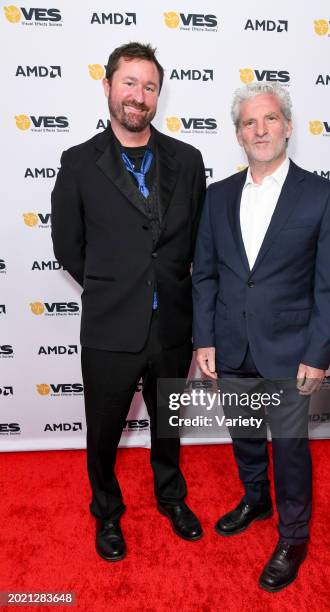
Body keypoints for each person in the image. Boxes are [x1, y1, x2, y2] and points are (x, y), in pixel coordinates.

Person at [51, 42, 206, 561]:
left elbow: (196, 242)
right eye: (129, 83)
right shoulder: (77, 164)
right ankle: (107, 513)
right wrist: (115, 284)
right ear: (108, 87)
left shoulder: (187, 161)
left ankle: (171, 498)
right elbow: (69, 249)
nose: (138, 96)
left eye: (149, 86)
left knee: (169, 425)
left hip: (172, 328)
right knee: (103, 433)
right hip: (110, 327)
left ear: (158, 94)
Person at [192, 82, 330, 592]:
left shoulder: (323, 195)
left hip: (290, 351)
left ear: (287, 125)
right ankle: (256, 498)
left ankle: (294, 535)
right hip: (231, 345)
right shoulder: (216, 197)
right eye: (249, 123)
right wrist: (205, 339)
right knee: (244, 436)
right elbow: (206, 275)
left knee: (290, 448)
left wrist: (318, 353)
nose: (260, 130)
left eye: (270, 119)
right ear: (238, 134)